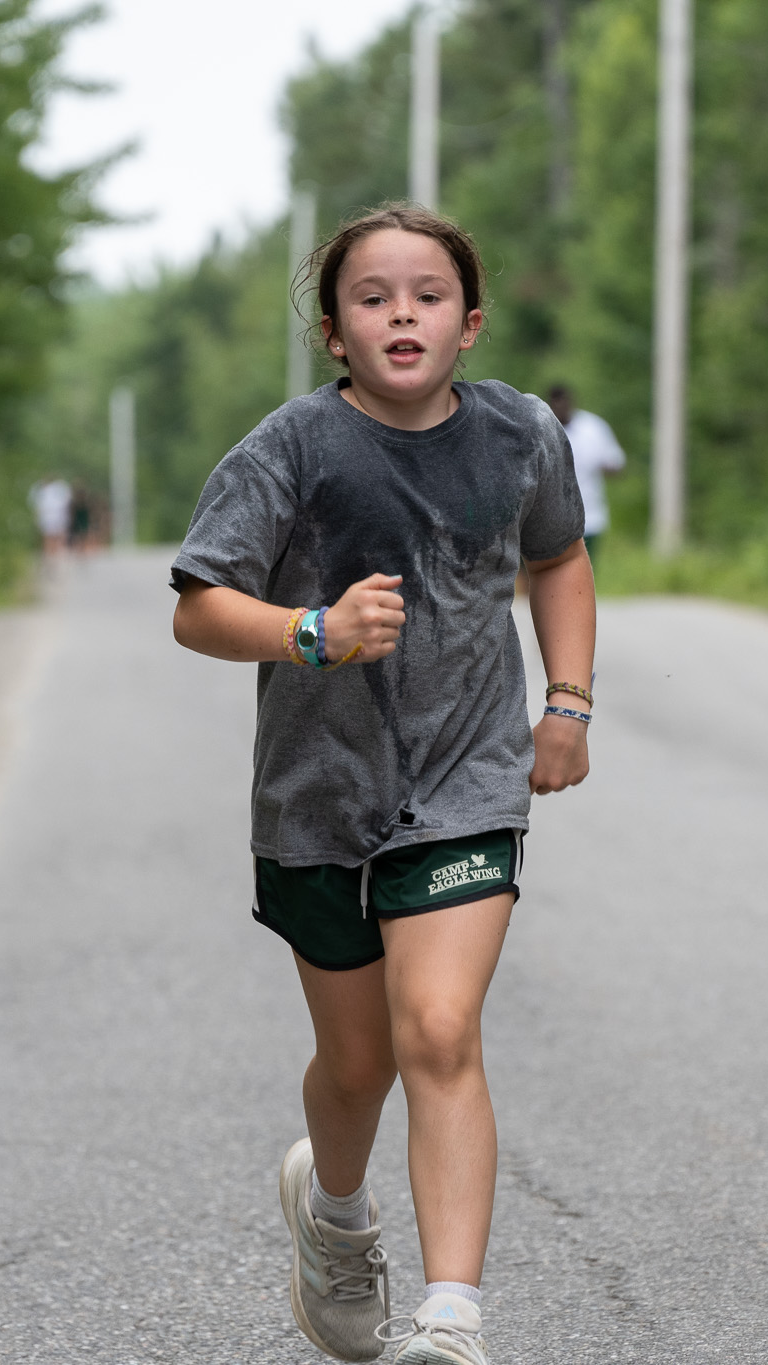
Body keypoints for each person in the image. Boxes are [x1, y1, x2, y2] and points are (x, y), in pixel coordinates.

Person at [169, 205, 596, 1365]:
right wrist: (310, 631)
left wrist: (565, 703)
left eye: (427, 295)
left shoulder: (519, 435)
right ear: (333, 332)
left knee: (439, 1032)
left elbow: (558, 555)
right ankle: (335, 1217)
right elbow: (198, 609)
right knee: (356, 1067)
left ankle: (451, 1320)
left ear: (469, 324)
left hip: (466, 783)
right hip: (317, 798)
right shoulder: (289, 450)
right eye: (372, 297)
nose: (401, 313)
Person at [545, 384, 625, 564]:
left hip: (589, 514)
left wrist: (602, 464)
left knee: (584, 566)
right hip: (550, 517)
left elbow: (616, 463)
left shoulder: (592, 428)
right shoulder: (542, 428)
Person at [29, 474, 72, 561]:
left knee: (58, 535)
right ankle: (50, 554)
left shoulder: (58, 488)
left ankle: (58, 552)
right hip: (47, 516)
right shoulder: (41, 490)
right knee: (48, 536)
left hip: (57, 516)